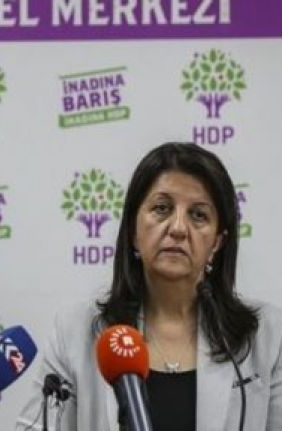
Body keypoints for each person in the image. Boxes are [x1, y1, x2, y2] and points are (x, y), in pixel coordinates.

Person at [16, 143, 282, 430]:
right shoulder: (75, 331)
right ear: (133, 231)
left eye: (198, 215)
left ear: (217, 242)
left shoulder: (266, 335)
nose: (178, 228)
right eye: (161, 208)